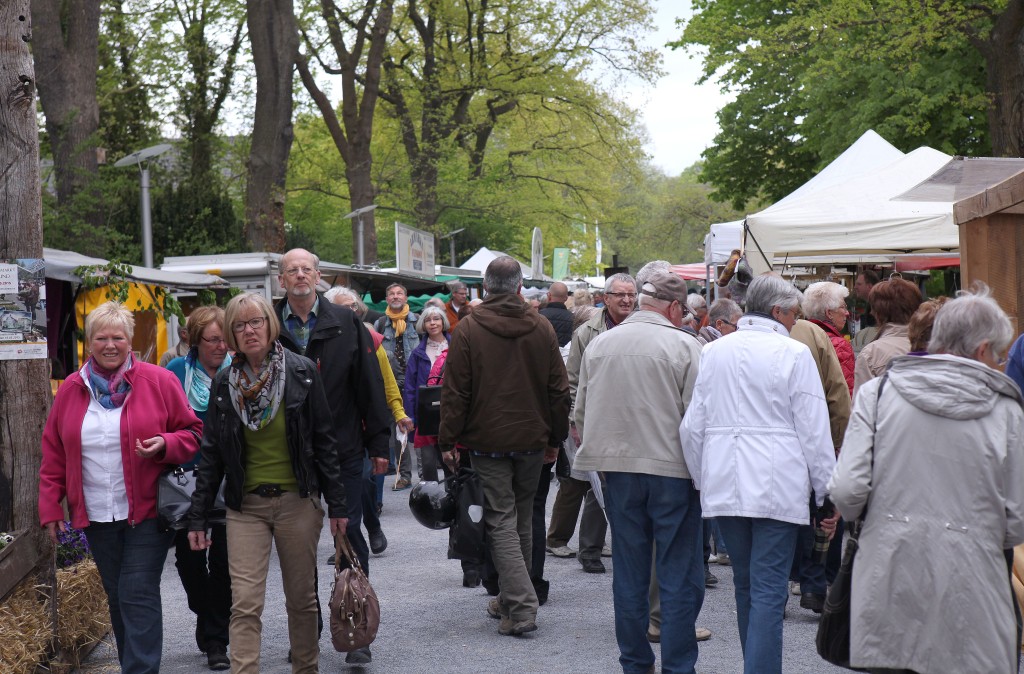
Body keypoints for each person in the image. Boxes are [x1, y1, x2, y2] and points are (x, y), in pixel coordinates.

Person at [828, 286, 1024, 674]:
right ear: (982, 349)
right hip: (974, 579)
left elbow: (848, 491)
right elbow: (1016, 518)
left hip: (889, 569)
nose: (1000, 363)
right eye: (999, 355)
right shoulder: (1006, 410)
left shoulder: (877, 395)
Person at [681, 274, 835, 674]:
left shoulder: (714, 351)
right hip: (777, 484)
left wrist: (703, 479)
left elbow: (692, 427)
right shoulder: (794, 353)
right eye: (794, 313)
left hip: (725, 481)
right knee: (768, 589)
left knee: (746, 586)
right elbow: (814, 430)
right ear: (778, 312)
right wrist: (826, 492)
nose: (796, 320)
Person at [188, 292, 348, 674]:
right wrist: (198, 515)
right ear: (231, 334)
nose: (249, 330)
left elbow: (325, 442)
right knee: (244, 602)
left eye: (256, 322)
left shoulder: (302, 371)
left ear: (269, 325)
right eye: (240, 325)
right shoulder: (225, 382)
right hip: (246, 507)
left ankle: (306, 668)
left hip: (298, 502)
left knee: (301, 599)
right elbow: (211, 454)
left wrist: (338, 506)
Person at [40, 301, 202, 674]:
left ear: (130, 341)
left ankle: (140, 669)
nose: (110, 345)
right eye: (101, 338)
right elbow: (54, 453)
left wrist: (165, 443)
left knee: (137, 590)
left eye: (118, 337)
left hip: (148, 510)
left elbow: (193, 432)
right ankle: (135, 664)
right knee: (117, 595)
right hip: (96, 512)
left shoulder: (159, 381)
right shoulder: (71, 389)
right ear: (89, 342)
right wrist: (50, 506)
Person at [574, 272, 704, 674]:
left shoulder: (600, 343)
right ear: (674, 307)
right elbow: (698, 420)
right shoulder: (685, 345)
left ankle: (635, 663)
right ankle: (678, 666)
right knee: (677, 573)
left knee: (629, 572)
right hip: (673, 471)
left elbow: (581, 413)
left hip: (618, 469)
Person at [439, 255, 570, 636]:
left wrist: (447, 440)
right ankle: (513, 600)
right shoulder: (541, 327)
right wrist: (555, 438)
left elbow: (455, 391)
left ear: (485, 287)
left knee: (501, 519)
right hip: (531, 438)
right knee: (521, 518)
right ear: (519, 287)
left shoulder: (468, 328)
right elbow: (558, 390)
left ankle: (521, 605)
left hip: (487, 439)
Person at [274, 250, 391, 665]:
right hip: (290, 452)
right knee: (299, 546)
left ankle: (356, 628)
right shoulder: (269, 323)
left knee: (350, 532)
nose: (300, 275)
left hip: (343, 446)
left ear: (318, 276)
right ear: (281, 280)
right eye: (292, 270)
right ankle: (308, 632)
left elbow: (369, 384)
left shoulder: (344, 321)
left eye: (306, 269)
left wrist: (380, 444)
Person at [548, 272, 637, 574]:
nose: (627, 300)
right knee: (598, 482)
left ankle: (627, 545)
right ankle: (590, 549)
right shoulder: (586, 332)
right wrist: (575, 422)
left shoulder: (643, 326)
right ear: (606, 298)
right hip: (599, 417)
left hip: (636, 416)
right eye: (620, 294)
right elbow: (572, 381)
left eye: (631, 294)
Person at [166, 306, 233, 670]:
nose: (222, 347)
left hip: (230, 479)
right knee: (189, 561)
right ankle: (206, 611)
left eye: (225, 339)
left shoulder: (239, 371)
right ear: (194, 341)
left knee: (224, 562)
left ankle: (216, 639)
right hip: (186, 481)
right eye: (213, 340)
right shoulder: (175, 372)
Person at [325, 285, 411, 551]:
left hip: (366, 426)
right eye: (342, 307)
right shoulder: (322, 341)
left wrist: (399, 414)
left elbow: (387, 383)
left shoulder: (371, 339)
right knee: (338, 488)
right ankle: (345, 543)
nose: (349, 311)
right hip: (334, 427)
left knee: (363, 479)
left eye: (353, 306)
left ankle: (371, 527)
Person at [787, 318, 850, 614]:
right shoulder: (813, 334)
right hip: (811, 434)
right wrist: (837, 440)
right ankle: (814, 584)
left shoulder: (740, 335)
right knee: (818, 508)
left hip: (768, 445)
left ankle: (777, 590)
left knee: (781, 517)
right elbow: (837, 391)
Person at [375, 282, 421, 490]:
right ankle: (404, 476)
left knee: (420, 430)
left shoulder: (417, 321)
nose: (395, 296)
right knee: (397, 433)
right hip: (391, 382)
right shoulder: (380, 323)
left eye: (399, 293)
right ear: (387, 299)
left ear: (405, 297)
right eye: (391, 294)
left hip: (414, 383)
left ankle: (426, 475)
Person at [403, 305, 451, 483]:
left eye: (436, 319)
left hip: (451, 409)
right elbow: (410, 387)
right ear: (423, 324)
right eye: (428, 320)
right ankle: (431, 496)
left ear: (443, 322)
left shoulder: (456, 346)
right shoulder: (417, 353)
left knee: (451, 461)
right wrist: (410, 416)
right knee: (428, 463)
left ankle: (454, 494)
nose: (433, 323)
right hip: (426, 412)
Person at [853, 277, 922, 393]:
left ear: (878, 313)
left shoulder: (870, 355)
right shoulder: (934, 348)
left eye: (873, 308)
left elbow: (862, 402)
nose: (871, 312)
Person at [803, 281, 855, 395]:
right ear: (829, 313)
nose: (847, 313)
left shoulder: (799, 338)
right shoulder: (839, 345)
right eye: (843, 307)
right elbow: (845, 394)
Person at [539, 281, 574, 347]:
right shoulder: (573, 318)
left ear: (549, 295)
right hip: (565, 353)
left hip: (542, 352)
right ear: (566, 298)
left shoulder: (539, 315)